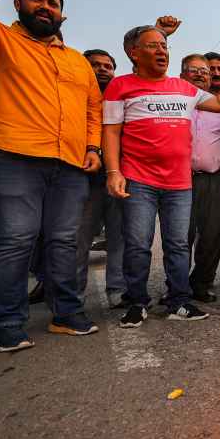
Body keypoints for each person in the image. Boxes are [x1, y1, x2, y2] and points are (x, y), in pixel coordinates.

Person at [0, 0, 102, 351]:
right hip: (12, 155)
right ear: (18, 3)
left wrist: (92, 147)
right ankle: (8, 324)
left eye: (53, 2)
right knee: (16, 237)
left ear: (62, 13)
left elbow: (92, 107)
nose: (46, 7)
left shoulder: (76, 60)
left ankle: (66, 314)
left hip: (70, 163)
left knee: (66, 240)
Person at [103, 21, 220, 328]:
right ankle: (137, 302)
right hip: (138, 179)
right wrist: (113, 171)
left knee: (178, 243)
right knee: (139, 243)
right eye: (153, 45)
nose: (161, 51)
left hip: (179, 182)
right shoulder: (120, 86)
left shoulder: (185, 89)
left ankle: (179, 300)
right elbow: (112, 132)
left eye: (165, 46)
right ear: (134, 52)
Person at [182, 53, 220, 303]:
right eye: (195, 71)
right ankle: (177, 286)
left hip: (216, 180)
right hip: (181, 181)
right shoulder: (176, 104)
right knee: (181, 236)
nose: (202, 75)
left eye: (205, 72)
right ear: (182, 75)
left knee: (212, 234)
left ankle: (202, 283)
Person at [76, 48, 126, 309]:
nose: (103, 70)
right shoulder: (76, 97)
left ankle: (117, 290)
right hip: (83, 179)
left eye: (108, 66)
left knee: (119, 237)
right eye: (96, 65)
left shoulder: (121, 98)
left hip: (118, 177)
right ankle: (72, 297)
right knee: (79, 239)